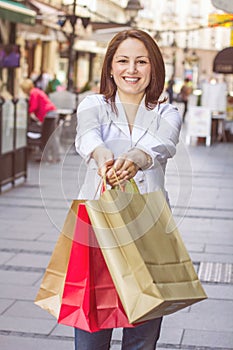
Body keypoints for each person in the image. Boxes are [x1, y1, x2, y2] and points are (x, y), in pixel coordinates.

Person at [75, 29, 182, 350]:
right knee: (92, 329)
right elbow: (87, 136)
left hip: (148, 228)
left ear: (154, 68)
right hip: (97, 227)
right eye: (123, 61)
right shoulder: (94, 104)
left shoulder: (167, 111)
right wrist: (102, 155)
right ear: (110, 67)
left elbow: (164, 143)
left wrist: (137, 157)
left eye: (141, 62)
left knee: (143, 336)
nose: (131, 70)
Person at [20, 79, 60, 163]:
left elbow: (34, 106)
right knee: (49, 135)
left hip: (49, 114)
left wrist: (28, 112)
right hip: (51, 113)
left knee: (49, 136)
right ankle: (51, 156)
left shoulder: (33, 93)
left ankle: (53, 157)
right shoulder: (36, 91)